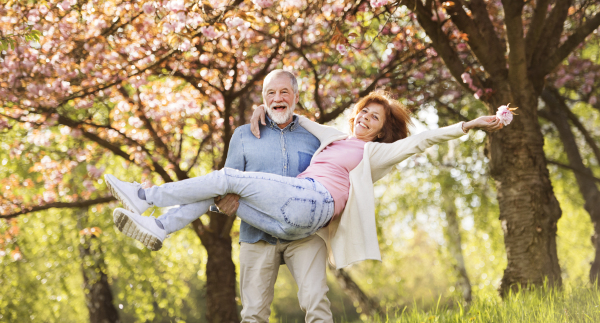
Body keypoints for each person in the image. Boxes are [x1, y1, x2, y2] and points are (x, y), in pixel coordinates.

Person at [107, 90, 503, 271]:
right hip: (291, 223)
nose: (365, 118)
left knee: (229, 175)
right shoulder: (334, 137)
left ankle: (145, 197)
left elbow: (422, 140)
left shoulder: (374, 153)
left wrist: (469, 125)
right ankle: (159, 226)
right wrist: (267, 109)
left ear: (382, 132)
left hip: (313, 202)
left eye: (374, 118)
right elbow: (297, 118)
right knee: (220, 187)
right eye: (364, 112)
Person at [108, 70, 334, 322]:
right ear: (263, 98)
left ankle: (152, 210)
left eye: (284, 92)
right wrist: (222, 206)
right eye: (270, 92)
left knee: (317, 305)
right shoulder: (244, 134)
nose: (277, 98)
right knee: (253, 315)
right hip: (257, 233)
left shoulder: (316, 138)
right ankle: (156, 218)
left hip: (303, 235)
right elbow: (221, 189)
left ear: (296, 96)